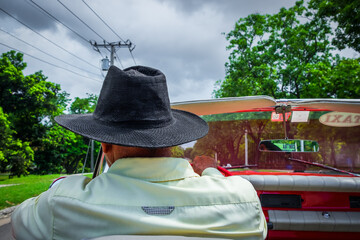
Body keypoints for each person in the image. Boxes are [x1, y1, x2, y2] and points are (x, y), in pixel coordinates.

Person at [11, 66, 267, 240]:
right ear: (172, 142)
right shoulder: (242, 200)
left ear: (104, 145)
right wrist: (210, 171)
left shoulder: (60, 204)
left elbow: (18, 221)